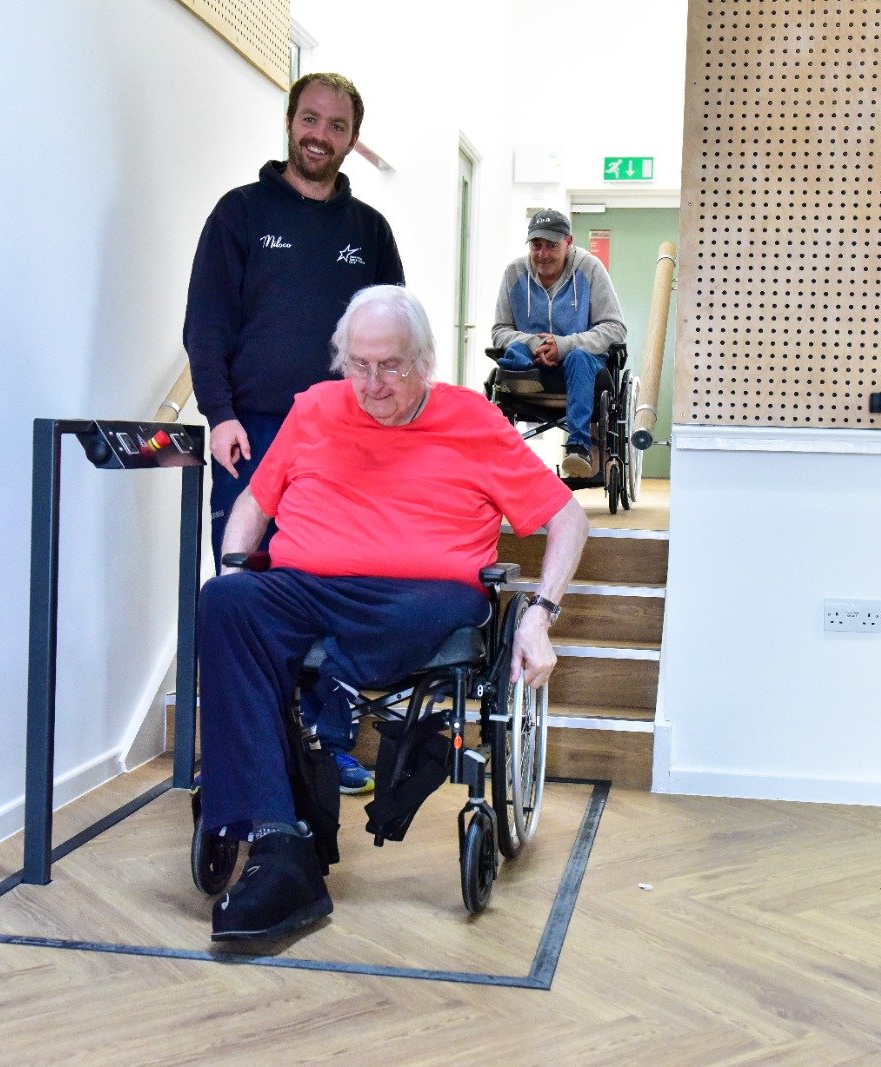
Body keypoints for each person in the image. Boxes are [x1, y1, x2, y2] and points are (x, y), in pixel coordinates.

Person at [198, 286, 590, 941]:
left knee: (412, 621)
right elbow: (254, 502)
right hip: (311, 591)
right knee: (224, 602)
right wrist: (236, 565)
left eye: (392, 366)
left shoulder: (473, 420)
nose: (373, 384)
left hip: (425, 603)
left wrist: (538, 615)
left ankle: (330, 719)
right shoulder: (315, 409)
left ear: (425, 360)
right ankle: (278, 843)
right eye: (359, 365)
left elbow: (567, 517)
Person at [183, 72, 403, 794]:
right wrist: (220, 416)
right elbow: (206, 326)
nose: (319, 135)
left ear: (350, 139)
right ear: (288, 122)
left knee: (342, 588)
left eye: (335, 126)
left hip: (346, 443)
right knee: (250, 591)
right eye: (309, 119)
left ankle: (329, 740)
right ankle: (252, 743)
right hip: (254, 436)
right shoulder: (240, 214)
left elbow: (396, 336)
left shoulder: (369, 232)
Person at [491, 208, 626, 478]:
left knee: (577, 357)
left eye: (551, 246)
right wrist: (533, 342)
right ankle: (504, 441)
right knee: (515, 350)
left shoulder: (589, 269)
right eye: (536, 245)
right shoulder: (514, 273)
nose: (543, 255)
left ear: (568, 241)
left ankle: (578, 447)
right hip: (533, 363)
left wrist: (564, 345)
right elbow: (500, 331)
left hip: (580, 365)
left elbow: (615, 328)